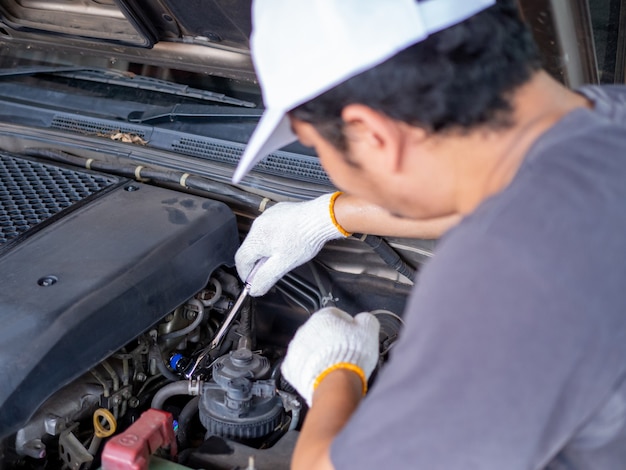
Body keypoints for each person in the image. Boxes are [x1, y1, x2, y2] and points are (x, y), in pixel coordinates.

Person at [233, 0, 626, 468]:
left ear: (369, 132)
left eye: (317, 148)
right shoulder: (605, 115)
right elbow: (524, 201)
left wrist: (334, 374)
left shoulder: (504, 278)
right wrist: (331, 215)